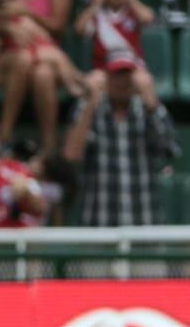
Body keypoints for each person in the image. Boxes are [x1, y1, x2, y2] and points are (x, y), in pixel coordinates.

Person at [64, 53, 179, 225]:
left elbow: (169, 147)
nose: (122, 81)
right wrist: (90, 101)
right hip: (100, 224)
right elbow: (71, 154)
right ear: (106, 78)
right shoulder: (89, 108)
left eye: (127, 75)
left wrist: (151, 102)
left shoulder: (149, 107)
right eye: (116, 75)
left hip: (144, 223)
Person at [0, 0, 82, 151]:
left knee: (43, 74)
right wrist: (9, 28)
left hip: (43, 59)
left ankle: (49, 147)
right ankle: (5, 137)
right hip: (11, 59)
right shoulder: (1, 0)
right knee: (24, 59)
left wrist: (27, 12)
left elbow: (59, 27)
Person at [75, 0, 157, 106]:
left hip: (133, 68)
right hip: (104, 69)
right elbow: (79, 29)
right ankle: (93, 121)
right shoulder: (98, 15)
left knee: (144, 81)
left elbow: (148, 18)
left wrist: (132, 0)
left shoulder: (134, 11)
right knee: (92, 82)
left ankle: (154, 119)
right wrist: (95, 5)